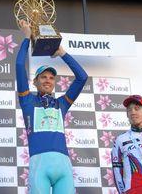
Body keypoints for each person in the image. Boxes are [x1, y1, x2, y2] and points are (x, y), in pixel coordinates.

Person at [16, 20, 88, 194]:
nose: (47, 80)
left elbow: (82, 77)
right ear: (35, 81)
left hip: (63, 166)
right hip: (39, 164)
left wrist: (62, 53)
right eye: (43, 77)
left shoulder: (61, 104)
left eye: (51, 77)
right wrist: (27, 38)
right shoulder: (27, 101)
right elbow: (19, 65)